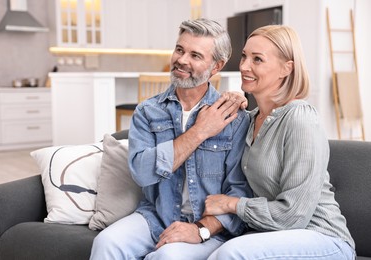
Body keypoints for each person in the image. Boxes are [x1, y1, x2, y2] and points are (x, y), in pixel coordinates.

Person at [90, 18, 252, 260]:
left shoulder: (234, 118)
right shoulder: (147, 111)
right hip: (156, 216)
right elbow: (142, 172)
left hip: (208, 227)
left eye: (195, 55)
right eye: (179, 49)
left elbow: (239, 192)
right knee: (107, 243)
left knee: (167, 257)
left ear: (216, 66)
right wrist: (200, 131)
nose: (182, 60)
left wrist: (201, 229)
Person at [204, 24, 356, 260]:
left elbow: (294, 215)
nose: (244, 66)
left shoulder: (300, 118)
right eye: (244, 56)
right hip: (275, 235)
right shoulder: (250, 120)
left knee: (231, 254)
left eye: (257, 59)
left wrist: (231, 204)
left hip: (323, 238)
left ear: (287, 68)